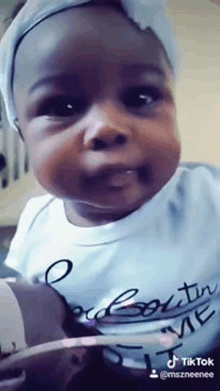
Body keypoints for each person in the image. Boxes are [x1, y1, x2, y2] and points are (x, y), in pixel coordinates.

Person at [0, 0, 220, 389]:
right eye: (63, 105)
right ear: (22, 133)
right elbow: (39, 318)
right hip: (113, 376)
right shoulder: (35, 234)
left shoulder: (210, 196)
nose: (107, 126)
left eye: (139, 98)